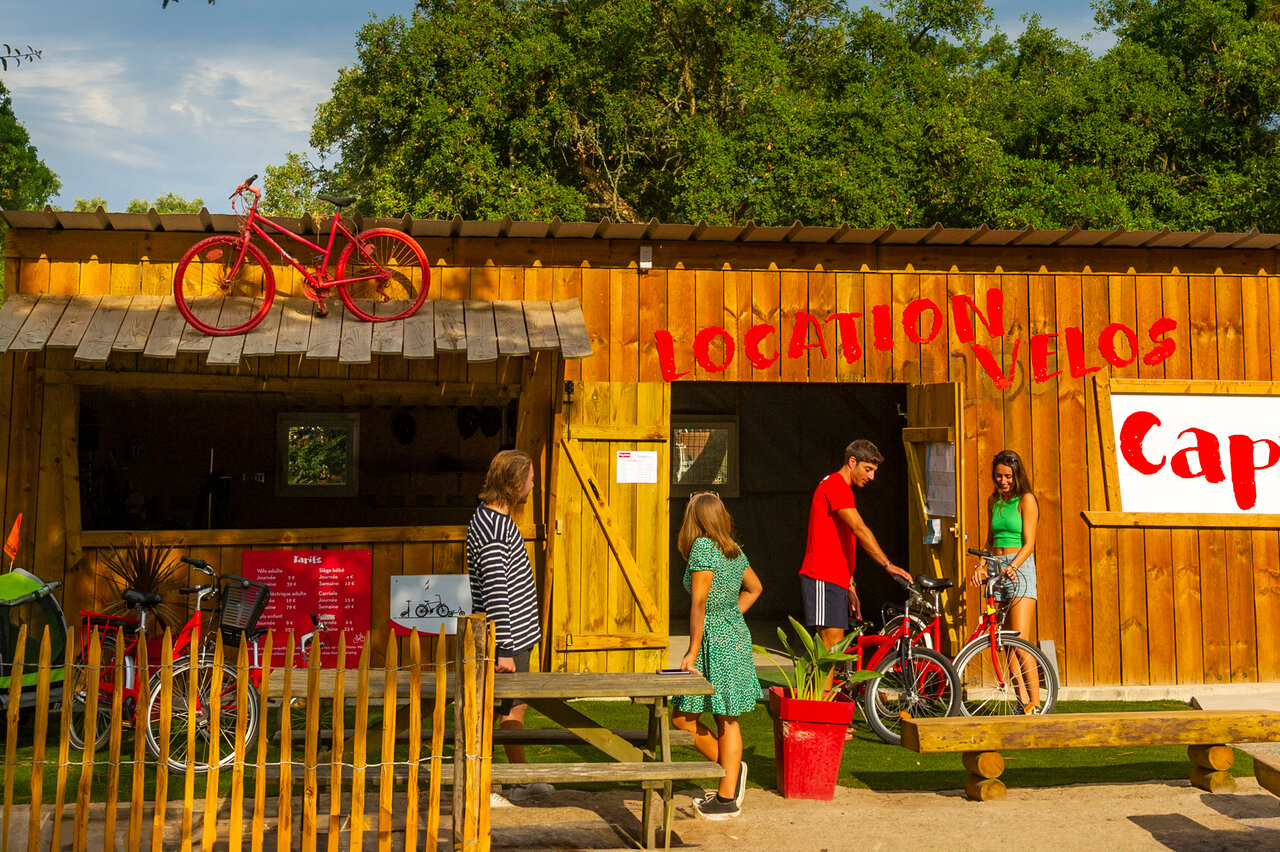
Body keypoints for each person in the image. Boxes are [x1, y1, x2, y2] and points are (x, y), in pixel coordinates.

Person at [466, 449, 553, 805]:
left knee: (512, 709)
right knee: (494, 711)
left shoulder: (493, 521)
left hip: (514, 638)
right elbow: (495, 589)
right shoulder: (493, 527)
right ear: (515, 483)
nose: (533, 484)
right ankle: (488, 786)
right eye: (530, 478)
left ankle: (516, 779)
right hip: (507, 641)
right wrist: (503, 650)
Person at [670, 492, 763, 821]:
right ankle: (732, 771)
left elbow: (698, 603)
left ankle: (726, 798)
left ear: (695, 518)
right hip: (730, 635)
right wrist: (730, 616)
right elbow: (755, 588)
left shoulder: (703, 548)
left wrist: (693, 650)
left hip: (716, 641)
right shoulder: (732, 550)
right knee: (686, 719)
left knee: (723, 717)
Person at [800, 439, 912, 652]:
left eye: (874, 470)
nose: (872, 476)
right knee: (830, 647)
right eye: (868, 469)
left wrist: (849, 584)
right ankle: (822, 688)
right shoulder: (835, 485)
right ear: (852, 462)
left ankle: (827, 687)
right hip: (823, 575)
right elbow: (859, 529)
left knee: (835, 648)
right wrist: (888, 566)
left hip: (835, 577)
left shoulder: (842, 488)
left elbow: (842, 540)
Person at [968, 449, 1041, 713]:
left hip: (1019, 570)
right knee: (1004, 640)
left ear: (1016, 475)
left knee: (1020, 641)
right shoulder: (993, 501)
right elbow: (989, 539)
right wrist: (981, 565)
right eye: (998, 476)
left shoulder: (1026, 500)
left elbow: (1029, 543)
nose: (1003, 481)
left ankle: (1039, 703)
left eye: (1008, 476)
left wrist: (1012, 566)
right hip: (996, 570)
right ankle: (1023, 703)